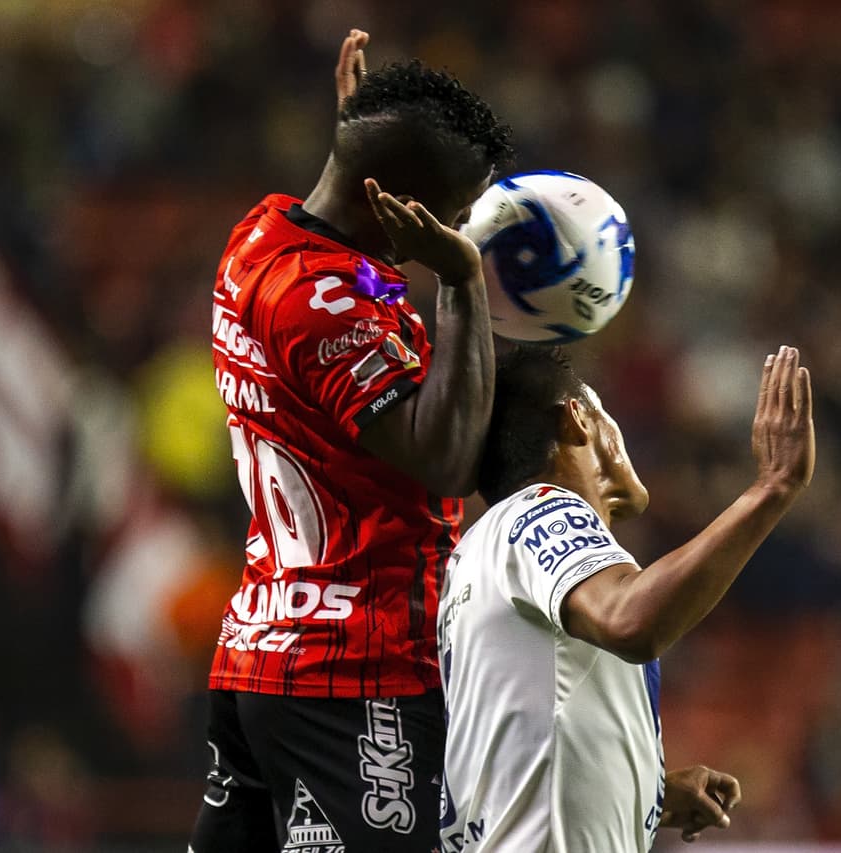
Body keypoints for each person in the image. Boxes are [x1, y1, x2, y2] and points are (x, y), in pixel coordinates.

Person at [189, 29, 512, 853]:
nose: (461, 227)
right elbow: (446, 458)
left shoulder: (262, 237)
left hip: (271, 649)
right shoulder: (320, 301)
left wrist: (365, 137)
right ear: (388, 202)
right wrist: (463, 281)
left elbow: (345, 234)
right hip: (357, 670)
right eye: (454, 211)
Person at [438, 344, 816, 851]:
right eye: (607, 416)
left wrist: (645, 795)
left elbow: (524, 741)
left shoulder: (475, 556)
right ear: (578, 419)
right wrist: (772, 487)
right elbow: (630, 621)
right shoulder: (539, 511)